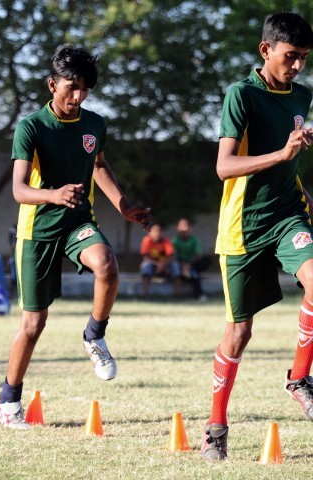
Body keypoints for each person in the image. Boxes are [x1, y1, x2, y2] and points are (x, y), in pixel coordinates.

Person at [0, 44, 151, 429]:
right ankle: (7, 399)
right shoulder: (31, 127)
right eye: (71, 87)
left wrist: (123, 205)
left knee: (107, 265)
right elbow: (17, 189)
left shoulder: (94, 125)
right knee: (34, 324)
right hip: (37, 232)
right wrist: (53, 194)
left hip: (77, 223)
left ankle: (94, 335)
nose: (77, 96)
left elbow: (98, 165)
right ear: (52, 84)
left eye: (85, 90)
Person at [202, 12, 313, 461]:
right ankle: (215, 426)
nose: (298, 67)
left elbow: (290, 155)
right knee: (239, 332)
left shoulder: (302, 96)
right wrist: (282, 152)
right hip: (243, 228)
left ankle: (300, 378)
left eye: (304, 59)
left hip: (288, 215)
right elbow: (224, 167)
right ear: (266, 50)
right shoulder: (240, 95)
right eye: (291, 57)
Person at [139, 221, 182, 299]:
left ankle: (178, 296)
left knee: (175, 266)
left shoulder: (166, 241)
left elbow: (171, 256)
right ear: (149, 232)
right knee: (146, 266)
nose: (158, 233)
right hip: (153, 265)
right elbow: (145, 257)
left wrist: (162, 265)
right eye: (155, 231)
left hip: (165, 265)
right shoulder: (147, 241)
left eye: (160, 231)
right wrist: (158, 265)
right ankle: (146, 295)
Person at [172, 217, 211, 301]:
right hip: (180, 265)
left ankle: (190, 273)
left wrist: (188, 265)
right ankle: (199, 294)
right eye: (181, 226)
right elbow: (173, 256)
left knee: (207, 259)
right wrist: (183, 265)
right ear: (177, 228)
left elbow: (198, 255)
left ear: (190, 228)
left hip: (192, 264)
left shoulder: (194, 239)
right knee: (192, 274)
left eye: (185, 226)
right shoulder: (175, 241)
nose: (183, 229)